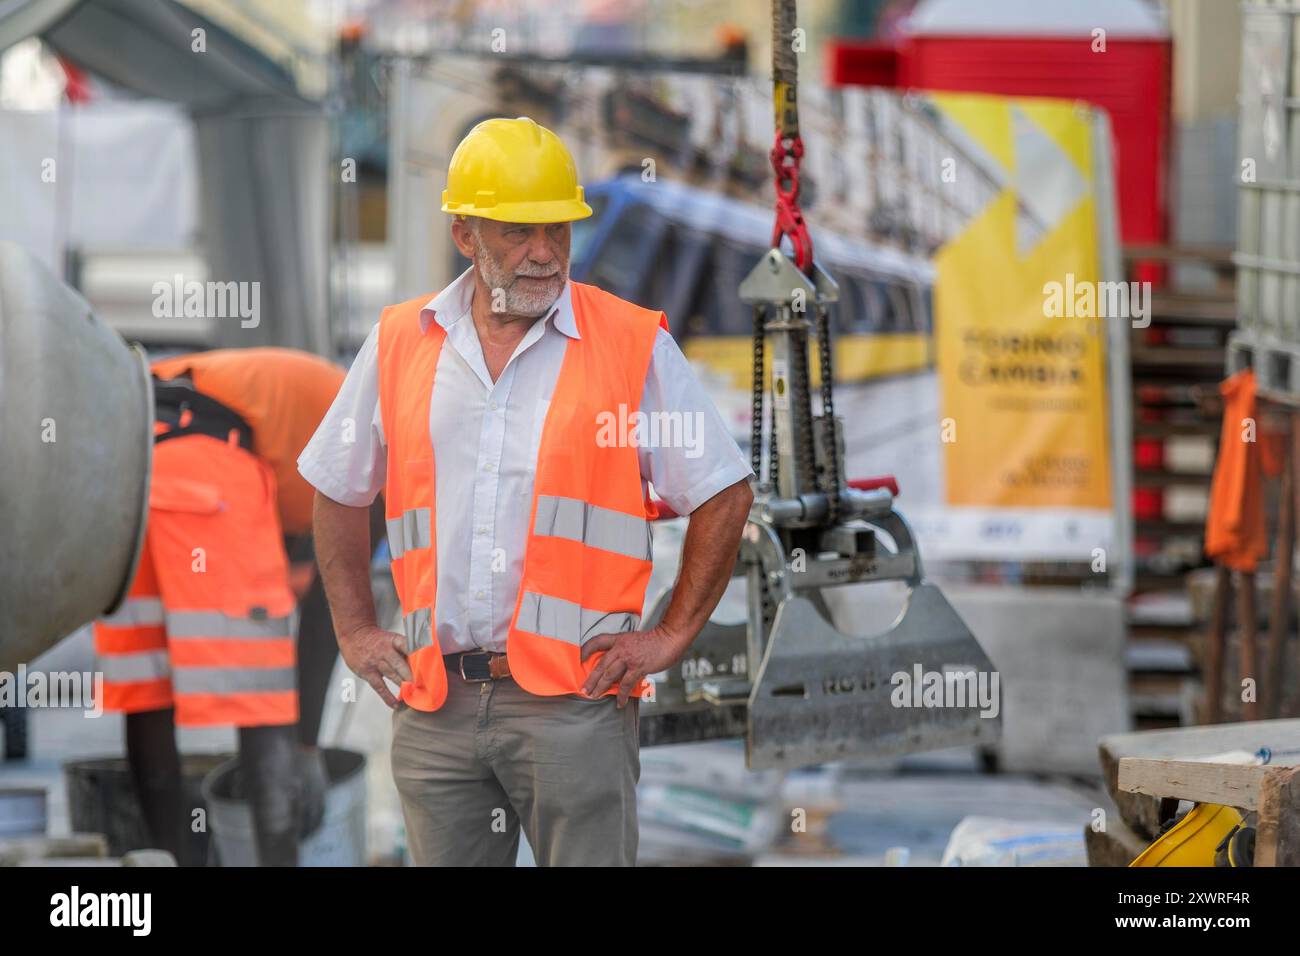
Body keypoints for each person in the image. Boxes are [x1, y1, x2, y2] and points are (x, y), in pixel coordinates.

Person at [300, 116, 754, 866]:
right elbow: (337, 485)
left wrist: (669, 635)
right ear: (464, 235)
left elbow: (723, 491)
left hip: (574, 707)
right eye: (517, 232)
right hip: (434, 702)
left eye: (558, 230)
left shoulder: (629, 344)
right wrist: (353, 630)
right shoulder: (399, 343)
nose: (544, 252)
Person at [94, 347, 353, 866]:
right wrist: (306, 749)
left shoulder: (315, 412)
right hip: (208, 458)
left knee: (148, 689)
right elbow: (334, 602)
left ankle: (163, 860)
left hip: (123, 466)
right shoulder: (384, 438)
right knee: (263, 695)